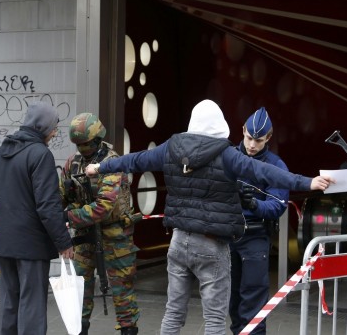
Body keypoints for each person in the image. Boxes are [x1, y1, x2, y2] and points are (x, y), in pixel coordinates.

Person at [85, 99, 334, 335]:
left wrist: (100, 167)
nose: (251, 143)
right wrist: (308, 182)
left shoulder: (172, 147)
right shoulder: (227, 154)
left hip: (178, 242)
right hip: (212, 245)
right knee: (215, 317)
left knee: (172, 313)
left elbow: (136, 160)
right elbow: (266, 173)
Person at [0, 102, 74, 335]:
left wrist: (13, 191)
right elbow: (48, 206)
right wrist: (64, 242)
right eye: (54, 127)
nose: (55, 133)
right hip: (31, 244)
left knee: (9, 301)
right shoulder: (40, 154)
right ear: (42, 127)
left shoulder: (3, 149)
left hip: (5, 242)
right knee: (32, 304)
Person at [60, 113, 140, 335]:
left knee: (123, 295)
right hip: (84, 239)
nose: (82, 148)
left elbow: (102, 208)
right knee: (79, 295)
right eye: (78, 144)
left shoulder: (111, 163)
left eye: (86, 143)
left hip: (116, 238)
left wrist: (67, 217)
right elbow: (60, 196)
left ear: (97, 139)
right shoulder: (73, 163)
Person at [229, 107, 288, 335]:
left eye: (259, 140)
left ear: (269, 138)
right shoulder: (229, 157)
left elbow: (278, 206)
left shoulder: (276, 165)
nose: (252, 145)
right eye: (249, 138)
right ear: (243, 130)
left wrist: (254, 204)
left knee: (253, 304)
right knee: (233, 300)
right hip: (228, 235)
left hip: (255, 236)